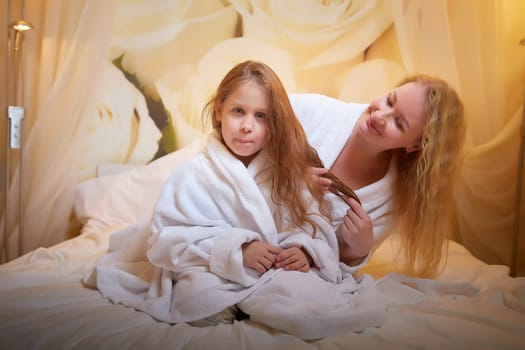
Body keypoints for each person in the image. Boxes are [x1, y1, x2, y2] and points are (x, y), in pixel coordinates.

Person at [85, 61, 384, 339]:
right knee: (198, 292)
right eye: (238, 111)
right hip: (211, 268)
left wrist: (304, 252)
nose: (246, 126)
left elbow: (314, 227)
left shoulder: (288, 174)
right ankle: (229, 304)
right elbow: (166, 240)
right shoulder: (195, 173)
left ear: (274, 123)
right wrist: (237, 250)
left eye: (261, 116)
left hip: (272, 272)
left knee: (304, 294)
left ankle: (256, 302)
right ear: (218, 110)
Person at [290, 74, 466, 278]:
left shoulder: (391, 200)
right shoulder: (313, 110)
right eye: (390, 100)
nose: (380, 116)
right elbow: (245, 140)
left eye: (399, 122)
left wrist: (357, 250)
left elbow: (335, 263)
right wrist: (289, 181)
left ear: (415, 145)